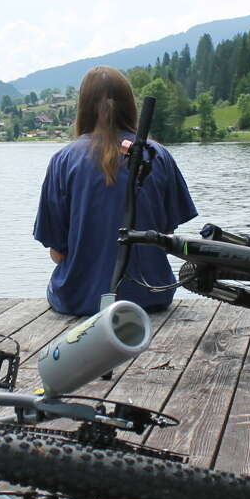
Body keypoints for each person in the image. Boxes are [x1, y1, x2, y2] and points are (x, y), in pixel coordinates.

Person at [33, 67, 196, 316]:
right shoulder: (158, 155)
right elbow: (166, 236)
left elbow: (57, 254)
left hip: (80, 300)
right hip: (151, 297)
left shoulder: (63, 160)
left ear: (84, 107)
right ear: (130, 105)